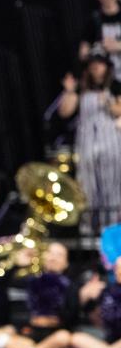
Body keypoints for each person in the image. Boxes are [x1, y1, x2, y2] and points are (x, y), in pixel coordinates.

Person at [58, 48, 121, 234]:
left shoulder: (115, 85)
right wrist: (68, 91)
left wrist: (108, 103)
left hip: (110, 139)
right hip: (86, 140)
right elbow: (65, 112)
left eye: (99, 63)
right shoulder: (81, 87)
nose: (95, 67)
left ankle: (113, 227)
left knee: (113, 182)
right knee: (87, 183)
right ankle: (89, 227)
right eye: (92, 63)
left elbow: (119, 111)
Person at [67, 256, 121, 348]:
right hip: (109, 340)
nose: (119, 271)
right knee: (76, 338)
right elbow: (92, 316)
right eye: (117, 268)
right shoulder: (106, 290)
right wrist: (83, 296)